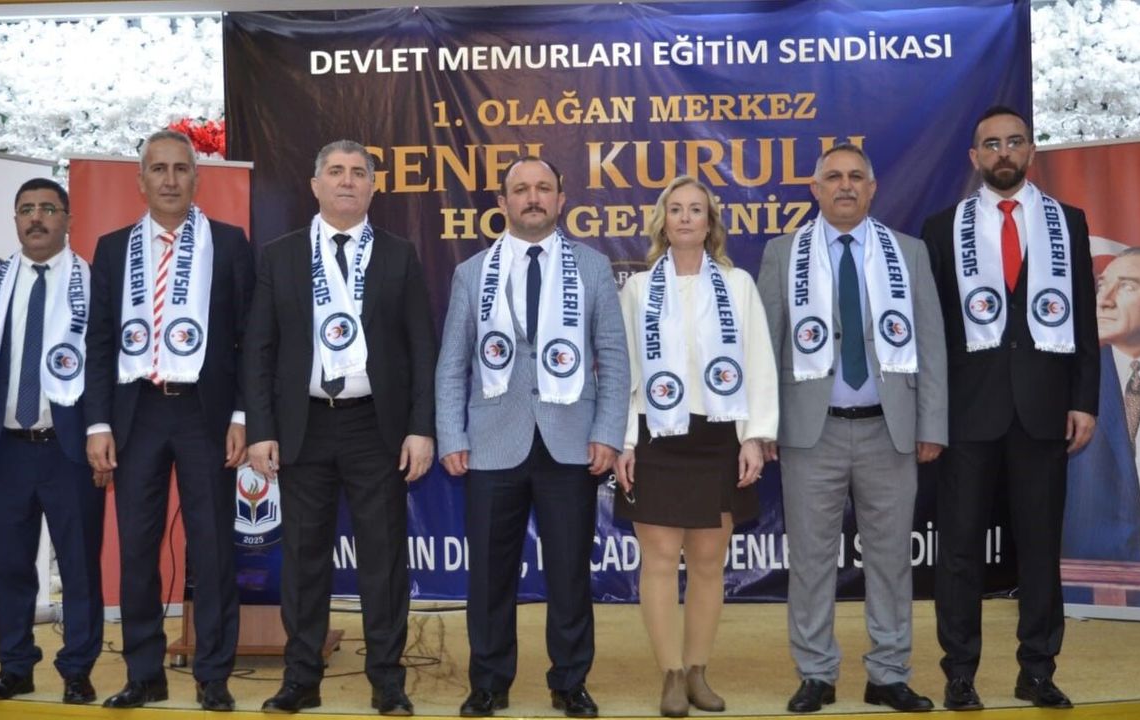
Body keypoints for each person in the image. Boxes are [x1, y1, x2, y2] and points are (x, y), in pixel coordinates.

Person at [244, 140, 438, 715]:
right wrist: (260, 428)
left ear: (373, 187)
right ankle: (301, 678)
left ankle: (387, 680)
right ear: (315, 185)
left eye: (358, 173)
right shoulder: (280, 256)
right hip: (302, 427)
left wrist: (421, 428)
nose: (347, 181)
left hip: (376, 428)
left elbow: (421, 347)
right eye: (336, 171)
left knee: (383, 559)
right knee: (304, 560)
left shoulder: (399, 255)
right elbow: (258, 348)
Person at [436, 156, 628, 719]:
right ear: (503, 203)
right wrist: (451, 433)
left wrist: (608, 431)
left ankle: (570, 682)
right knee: (489, 575)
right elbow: (452, 364)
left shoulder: (592, 268)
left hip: (571, 442)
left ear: (561, 199)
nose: (533, 197)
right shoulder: (472, 272)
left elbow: (614, 358)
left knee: (569, 573)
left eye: (544, 187)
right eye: (521, 189)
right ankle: (488, 683)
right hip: (492, 442)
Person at [757, 144, 946, 714]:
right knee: (811, 560)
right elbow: (764, 345)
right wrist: (762, 425)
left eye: (855, 177)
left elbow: (931, 344)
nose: (845, 185)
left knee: (891, 560)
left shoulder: (908, 252)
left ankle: (888, 674)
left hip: (890, 430)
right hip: (809, 433)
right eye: (833, 177)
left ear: (872, 187)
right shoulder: (782, 253)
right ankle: (816, 673)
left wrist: (932, 423)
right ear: (815, 189)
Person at [923, 105, 1099, 710]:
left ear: (1031, 151)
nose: (1004, 153)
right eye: (992, 144)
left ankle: (1038, 670)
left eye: (1015, 142)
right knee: (960, 550)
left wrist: (1084, 400)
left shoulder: (1067, 222)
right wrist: (931, 412)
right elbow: (933, 330)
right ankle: (960, 673)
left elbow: (1083, 315)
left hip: (1044, 409)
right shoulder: (942, 227)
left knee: (1040, 546)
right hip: (967, 412)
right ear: (975, 156)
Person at [84, 130, 254, 711]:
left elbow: (248, 338)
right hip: (137, 413)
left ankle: (214, 675)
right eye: (158, 169)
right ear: (141, 181)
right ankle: (144, 674)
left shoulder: (228, 244)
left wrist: (241, 414)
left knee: (213, 548)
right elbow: (99, 344)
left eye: (181, 168)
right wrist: (97, 424)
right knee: (137, 548)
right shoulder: (113, 250)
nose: (170, 179)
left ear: (196, 178)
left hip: (206, 413)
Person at [613, 176, 777, 717]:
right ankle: (671, 675)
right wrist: (626, 442)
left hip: (718, 437)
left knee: (708, 561)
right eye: (676, 209)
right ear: (663, 221)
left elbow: (758, 362)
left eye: (696, 210)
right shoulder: (637, 290)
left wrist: (754, 436)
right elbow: (625, 373)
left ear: (710, 223)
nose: (685, 218)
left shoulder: (738, 285)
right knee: (659, 560)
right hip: (656, 437)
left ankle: (699, 671)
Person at [0, 178, 104, 705]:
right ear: (16, 220)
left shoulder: (94, 283)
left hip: (70, 450)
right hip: (8, 451)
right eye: (26, 210)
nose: (36, 218)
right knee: (11, 567)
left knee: (80, 567)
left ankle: (77, 669)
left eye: (47, 208)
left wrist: (102, 437)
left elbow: (104, 371)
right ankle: (15, 666)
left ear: (68, 219)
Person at [1064, 248, 1140, 568]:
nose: (1104, 300)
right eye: (1102, 285)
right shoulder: (1068, 381)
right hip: (1081, 578)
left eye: (1128, 286)